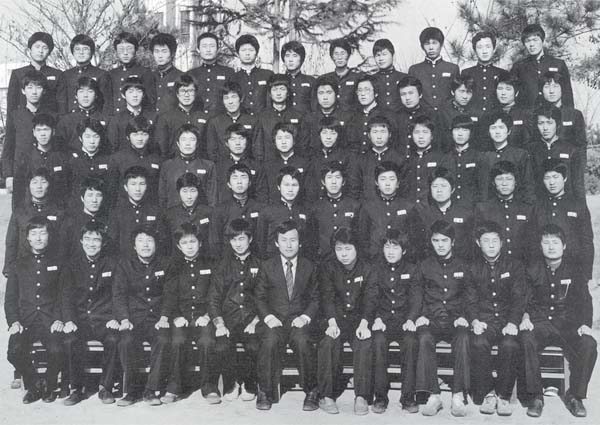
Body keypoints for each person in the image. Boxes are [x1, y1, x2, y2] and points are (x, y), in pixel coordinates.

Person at [519, 224, 596, 418]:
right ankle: (535, 396)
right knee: (526, 339)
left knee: (589, 343)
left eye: (555, 242)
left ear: (564, 245)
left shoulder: (575, 270)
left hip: (567, 325)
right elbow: (523, 299)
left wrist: (585, 324)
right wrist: (525, 317)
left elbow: (585, 300)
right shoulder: (531, 269)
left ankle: (575, 396)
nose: (551, 247)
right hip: (540, 323)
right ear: (540, 246)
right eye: (546, 242)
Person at [254, 220, 320, 411]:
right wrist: (268, 317)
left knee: (303, 341)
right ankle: (264, 391)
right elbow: (259, 297)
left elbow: (316, 298)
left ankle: (311, 390)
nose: (289, 245)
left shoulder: (310, 266)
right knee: (269, 342)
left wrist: (305, 317)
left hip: (298, 320)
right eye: (284, 240)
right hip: (274, 320)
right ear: (277, 243)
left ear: (300, 242)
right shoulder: (267, 266)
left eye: (293, 240)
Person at [415, 220, 477, 417]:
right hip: (432, 319)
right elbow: (418, 295)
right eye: (436, 240)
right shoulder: (424, 266)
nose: (440, 245)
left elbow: (469, 296)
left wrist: (464, 317)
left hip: (455, 319)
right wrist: (421, 315)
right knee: (424, 338)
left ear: (453, 242)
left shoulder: (463, 266)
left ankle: (458, 394)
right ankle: (434, 394)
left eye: (444, 240)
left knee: (463, 337)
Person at [469, 221, 526, 416]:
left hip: (506, 321)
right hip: (484, 320)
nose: (491, 245)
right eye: (486, 241)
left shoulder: (514, 266)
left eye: (495, 240)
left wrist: (513, 322)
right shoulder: (472, 267)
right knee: (478, 343)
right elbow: (469, 299)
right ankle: (488, 394)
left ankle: (503, 396)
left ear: (502, 242)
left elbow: (519, 298)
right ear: (478, 243)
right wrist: (475, 321)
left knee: (510, 345)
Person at [5, 216, 64, 403]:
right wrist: (14, 322)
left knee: (57, 349)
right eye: (34, 233)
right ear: (28, 238)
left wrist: (59, 319)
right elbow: (10, 299)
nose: (38, 238)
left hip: (50, 321)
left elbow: (64, 296)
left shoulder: (59, 262)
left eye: (42, 233)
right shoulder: (18, 265)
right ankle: (33, 385)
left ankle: (49, 384)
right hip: (26, 322)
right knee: (14, 351)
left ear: (49, 236)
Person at [60, 221, 120, 405]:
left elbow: (118, 294)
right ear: (81, 241)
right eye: (87, 239)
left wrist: (116, 318)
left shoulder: (112, 264)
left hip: (104, 319)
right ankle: (76, 389)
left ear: (103, 243)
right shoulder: (71, 265)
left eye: (96, 240)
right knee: (71, 340)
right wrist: (69, 320)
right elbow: (65, 296)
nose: (91, 244)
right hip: (80, 320)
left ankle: (105, 387)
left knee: (113, 339)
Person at [113, 224, 173, 406]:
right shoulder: (125, 265)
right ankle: (132, 390)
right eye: (140, 241)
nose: (145, 245)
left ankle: (151, 390)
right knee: (126, 341)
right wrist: (124, 319)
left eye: (149, 240)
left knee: (163, 340)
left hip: (157, 319)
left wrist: (164, 317)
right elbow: (119, 295)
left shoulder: (166, 264)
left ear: (156, 244)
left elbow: (170, 294)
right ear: (134, 245)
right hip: (133, 319)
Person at [160, 223, 220, 404]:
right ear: (179, 246)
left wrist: (208, 316)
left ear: (200, 243)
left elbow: (216, 293)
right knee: (177, 341)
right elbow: (169, 295)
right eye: (184, 243)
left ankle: (209, 387)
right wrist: (176, 316)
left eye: (193, 241)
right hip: (182, 317)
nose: (189, 246)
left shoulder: (211, 263)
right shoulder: (173, 266)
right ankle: (173, 387)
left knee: (207, 342)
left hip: (205, 316)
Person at [317, 227, 375, 415]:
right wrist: (332, 323)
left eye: (348, 249)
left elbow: (371, 298)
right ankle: (326, 395)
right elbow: (327, 297)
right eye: (339, 249)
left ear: (356, 248)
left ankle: (362, 396)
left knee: (364, 343)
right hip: (336, 319)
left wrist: (365, 323)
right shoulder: (328, 267)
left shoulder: (367, 267)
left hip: (359, 321)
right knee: (328, 343)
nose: (343, 254)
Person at [365, 229, 421, 413]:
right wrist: (376, 318)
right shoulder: (376, 269)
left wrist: (411, 319)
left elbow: (416, 298)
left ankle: (408, 397)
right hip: (383, 320)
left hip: (404, 321)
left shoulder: (412, 269)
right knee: (378, 341)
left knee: (411, 342)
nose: (390, 251)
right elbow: (371, 297)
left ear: (404, 250)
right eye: (387, 247)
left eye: (395, 247)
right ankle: (380, 397)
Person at [209, 219, 261, 402]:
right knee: (222, 346)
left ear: (250, 239)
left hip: (252, 319)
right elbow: (213, 298)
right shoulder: (222, 265)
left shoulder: (260, 263)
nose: (238, 244)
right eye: (233, 239)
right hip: (228, 320)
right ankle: (231, 384)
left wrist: (256, 321)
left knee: (253, 345)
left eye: (241, 239)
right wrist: (219, 324)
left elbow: (266, 297)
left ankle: (249, 383)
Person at [532, 159, 594, 281]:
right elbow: (532, 242)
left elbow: (586, 242)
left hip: (573, 268)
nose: (552, 182)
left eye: (556, 177)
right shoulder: (537, 207)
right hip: (543, 271)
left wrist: (587, 274)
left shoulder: (577, 205)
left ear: (564, 178)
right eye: (547, 178)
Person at [1, 70, 53, 201]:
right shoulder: (15, 116)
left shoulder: (53, 116)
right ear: (23, 91)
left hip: (46, 174)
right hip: (21, 173)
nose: (34, 92)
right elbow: (8, 147)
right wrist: (8, 175)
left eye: (38, 87)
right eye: (30, 87)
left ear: (44, 91)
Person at [4, 168, 65, 277]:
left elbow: (64, 242)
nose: (39, 186)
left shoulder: (58, 211)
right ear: (29, 185)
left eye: (43, 182)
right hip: (25, 266)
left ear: (49, 185)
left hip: (51, 266)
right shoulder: (20, 211)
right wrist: (9, 267)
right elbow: (11, 241)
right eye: (35, 182)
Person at [474, 160, 535, 264]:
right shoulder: (483, 208)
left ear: (516, 182)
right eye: (499, 179)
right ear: (493, 182)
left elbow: (532, 243)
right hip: (493, 265)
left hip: (522, 264)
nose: (504, 183)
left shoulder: (527, 209)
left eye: (509, 179)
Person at [358, 161, 420, 261]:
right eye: (383, 179)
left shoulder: (408, 207)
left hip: (402, 261)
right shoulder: (368, 208)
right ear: (376, 182)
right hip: (375, 261)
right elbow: (362, 239)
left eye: (392, 179)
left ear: (398, 183)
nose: (387, 184)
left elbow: (415, 239)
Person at [414, 167, 474, 260]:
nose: (439, 190)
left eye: (443, 186)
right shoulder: (423, 214)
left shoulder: (465, 213)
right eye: (435, 186)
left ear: (452, 189)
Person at [12, 113, 70, 209]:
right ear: (34, 132)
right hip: (31, 210)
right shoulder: (26, 158)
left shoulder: (62, 157)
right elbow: (19, 190)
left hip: (57, 209)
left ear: (53, 131)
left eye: (46, 130)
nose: (42, 134)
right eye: (39, 130)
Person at [529, 104, 585, 200]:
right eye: (541, 123)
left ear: (557, 124)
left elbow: (578, 184)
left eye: (549, 123)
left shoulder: (571, 150)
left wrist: (581, 207)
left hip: (566, 203)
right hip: (540, 204)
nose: (545, 128)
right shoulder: (530, 150)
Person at [308, 161, 361, 260]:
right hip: (323, 260)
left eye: (337, 177)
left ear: (343, 181)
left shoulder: (354, 206)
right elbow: (312, 240)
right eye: (329, 178)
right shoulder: (316, 208)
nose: (333, 182)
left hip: (348, 259)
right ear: (323, 182)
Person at [479, 111, 535, 204]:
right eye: (493, 128)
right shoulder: (483, 156)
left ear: (509, 131)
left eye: (501, 127)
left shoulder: (520, 155)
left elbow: (528, 185)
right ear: (488, 132)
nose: (497, 132)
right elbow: (482, 188)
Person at [511, 24, 574, 108]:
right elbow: (510, 93)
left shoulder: (558, 64)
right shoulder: (519, 66)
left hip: (552, 114)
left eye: (535, 40)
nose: (531, 44)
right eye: (527, 41)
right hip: (527, 113)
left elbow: (567, 94)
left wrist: (569, 114)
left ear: (542, 40)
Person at [109, 166, 166, 257]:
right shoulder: (117, 212)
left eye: (142, 184)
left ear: (147, 186)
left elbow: (162, 240)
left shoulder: (155, 211)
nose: (138, 189)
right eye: (133, 184)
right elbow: (112, 243)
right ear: (125, 187)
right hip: (125, 262)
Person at [211, 163, 266, 257]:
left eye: (243, 177)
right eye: (235, 178)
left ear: (250, 182)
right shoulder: (220, 210)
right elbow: (216, 242)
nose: (239, 182)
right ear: (229, 184)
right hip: (228, 260)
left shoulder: (260, 208)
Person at [257, 166, 311, 259]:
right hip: (272, 262)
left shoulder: (305, 211)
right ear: (279, 187)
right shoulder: (267, 212)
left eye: (294, 185)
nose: (290, 189)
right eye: (286, 185)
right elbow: (261, 244)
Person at [158, 124, 217, 208]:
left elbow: (212, 198)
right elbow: (162, 197)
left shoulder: (208, 166)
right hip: (173, 213)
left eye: (192, 139)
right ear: (178, 143)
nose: (188, 143)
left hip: (200, 214)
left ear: (197, 143)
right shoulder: (167, 166)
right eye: (184, 139)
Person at [251, 73, 306, 161]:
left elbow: (302, 145)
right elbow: (258, 147)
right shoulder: (261, 117)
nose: (278, 93)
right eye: (275, 89)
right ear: (270, 93)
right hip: (269, 163)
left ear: (288, 92)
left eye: (282, 89)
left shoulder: (298, 116)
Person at [109, 116, 162, 205]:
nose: (140, 138)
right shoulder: (117, 159)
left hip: (149, 207)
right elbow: (112, 190)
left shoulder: (156, 159)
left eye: (144, 134)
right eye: (135, 134)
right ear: (128, 137)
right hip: (123, 207)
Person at [154, 74, 210, 159]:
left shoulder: (205, 118)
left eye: (190, 91)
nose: (186, 95)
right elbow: (162, 149)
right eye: (183, 91)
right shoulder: (165, 118)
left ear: (195, 93)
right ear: (177, 94)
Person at [303, 117, 358, 202]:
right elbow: (309, 186)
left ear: (338, 135)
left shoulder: (347, 156)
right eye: (324, 133)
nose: (328, 137)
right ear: (319, 135)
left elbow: (353, 186)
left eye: (333, 133)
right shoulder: (313, 156)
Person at [162, 172, 214, 258]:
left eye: (193, 191)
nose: (189, 196)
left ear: (198, 191)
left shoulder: (209, 212)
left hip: (203, 260)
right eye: (184, 191)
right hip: (177, 261)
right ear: (178, 192)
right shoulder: (169, 214)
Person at [56, 34, 112, 115]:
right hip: (71, 118)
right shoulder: (65, 75)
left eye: (85, 49)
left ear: (91, 52)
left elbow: (107, 104)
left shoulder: (101, 74)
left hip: (94, 119)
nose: (81, 52)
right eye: (77, 49)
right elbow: (62, 103)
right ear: (73, 52)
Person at [7, 32, 61, 114]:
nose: (40, 51)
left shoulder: (58, 75)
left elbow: (61, 106)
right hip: (24, 119)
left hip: (49, 119)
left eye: (45, 48)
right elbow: (11, 106)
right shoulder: (18, 74)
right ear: (29, 50)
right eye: (37, 47)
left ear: (49, 52)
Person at [402, 115, 452, 204]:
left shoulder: (442, 159)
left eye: (425, 132)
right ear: (412, 135)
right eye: (417, 132)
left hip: (431, 207)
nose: (421, 137)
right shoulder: (408, 160)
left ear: (432, 135)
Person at [354, 115, 405, 201]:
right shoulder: (361, 160)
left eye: (383, 132)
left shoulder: (399, 159)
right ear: (368, 135)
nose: (379, 136)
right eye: (375, 132)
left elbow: (404, 190)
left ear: (389, 134)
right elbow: (355, 189)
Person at [214, 123, 267, 204]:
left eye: (241, 138)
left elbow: (262, 194)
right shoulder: (218, 167)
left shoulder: (256, 166)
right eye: (233, 139)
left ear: (247, 141)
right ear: (226, 143)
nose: (237, 143)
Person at [408, 27, 459, 111]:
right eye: (427, 43)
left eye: (434, 43)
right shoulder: (414, 70)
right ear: (422, 46)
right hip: (423, 115)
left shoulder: (452, 68)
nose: (431, 47)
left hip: (447, 114)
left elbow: (457, 94)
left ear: (441, 45)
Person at [205, 81, 258, 162]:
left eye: (234, 97)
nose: (230, 102)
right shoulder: (215, 122)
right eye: (226, 98)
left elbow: (258, 151)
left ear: (240, 98)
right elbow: (212, 152)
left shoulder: (252, 121)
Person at [301, 75, 354, 155]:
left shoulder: (347, 117)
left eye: (329, 93)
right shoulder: (309, 119)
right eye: (321, 93)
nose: (325, 97)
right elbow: (304, 147)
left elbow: (351, 148)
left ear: (336, 94)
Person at [346, 75, 397, 154]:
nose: (363, 94)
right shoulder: (353, 117)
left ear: (376, 93)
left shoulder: (387, 115)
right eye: (360, 90)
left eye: (367, 90)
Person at [461, 31, 509, 114]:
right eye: (480, 47)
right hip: (472, 117)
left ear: (494, 49)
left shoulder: (502, 73)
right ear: (475, 50)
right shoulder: (466, 73)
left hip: (495, 118)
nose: (484, 51)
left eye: (488, 47)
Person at [56, 76, 108, 152]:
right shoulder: (66, 121)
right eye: (81, 91)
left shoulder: (105, 119)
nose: (85, 95)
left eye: (90, 91)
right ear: (76, 96)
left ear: (96, 95)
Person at [188, 32, 235, 117]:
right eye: (204, 46)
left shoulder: (228, 73)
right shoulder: (191, 74)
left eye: (212, 46)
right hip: (196, 120)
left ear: (218, 49)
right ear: (198, 49)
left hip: (221, 120)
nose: (208, 50)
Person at [108, 32, 155, 114]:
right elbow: (108, 102)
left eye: (129, 48)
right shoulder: (111, 74)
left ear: (135, 50)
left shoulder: (144, 72)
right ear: (116, 51)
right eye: (121, 49)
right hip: (116, 118)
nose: (125, 53)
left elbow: (150, 101)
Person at [106, 76, 157, 153]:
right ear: (123, 95)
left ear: (143, 94)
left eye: (139, 91)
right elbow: (113, 148)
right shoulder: (116, 120)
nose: (135, 95)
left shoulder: (153, 117)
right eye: (130, 92)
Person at [537, 71, 587, 149]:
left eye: (555, 86)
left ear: (562, 89)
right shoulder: (535, 115)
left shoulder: (575, 115)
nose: (551, 91)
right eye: (547, 87)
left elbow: (581, 146)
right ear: (541, 90)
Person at [263, 123, 308, 203]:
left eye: (287, 138)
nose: (283, 142)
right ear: (274, 141)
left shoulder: (304, 164)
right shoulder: (268, 166)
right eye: (279, 138)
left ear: (294, 140)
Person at [446, 114, 484, 206]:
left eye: (465, 130)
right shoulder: (446, 158)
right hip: (451, 207)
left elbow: (483, 188)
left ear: (471, 133)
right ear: (451, 132)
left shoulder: (479, 157)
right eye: (456, 129)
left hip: (473, 206)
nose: (460, 134)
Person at [396, 76, 439, 156]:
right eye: (403, 94)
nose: (407, 98)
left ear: (420, 94)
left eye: (411, 93)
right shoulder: (396, 116)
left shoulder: (431, 114)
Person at [232, 34, 274, 115]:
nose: (247, 53)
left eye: (251, 50)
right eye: (243, 50)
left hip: (263, 119)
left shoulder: (267, 75)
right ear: (237, 54)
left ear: (256, 53)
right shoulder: (233, 77)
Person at [322, 38, 362, 111]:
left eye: (342, 53)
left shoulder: (358, 78)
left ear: (348, 55)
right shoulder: (324, 79)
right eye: (336, 54)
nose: (339, 57)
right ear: (331, 56)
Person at [149, 32, 184, 114]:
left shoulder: (181, 77)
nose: (160, 56)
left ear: (172, 53)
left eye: (164, 51)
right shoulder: (148, 77)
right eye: (156, 51)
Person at [371, 38, 408, 113]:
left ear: (393, 55)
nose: (381, 59)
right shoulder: (371, 80)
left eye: (384, 54)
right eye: (377, 55)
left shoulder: (404, 78)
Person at [281, 40, 316, 113]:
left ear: (301, 59)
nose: (290, 60)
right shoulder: (279, 80)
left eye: (295, 56)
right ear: (283, 59)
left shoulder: (311, 81)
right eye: (287, 56)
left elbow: (315, 108)